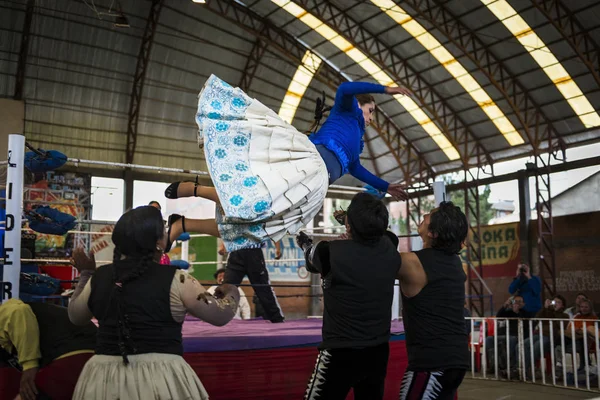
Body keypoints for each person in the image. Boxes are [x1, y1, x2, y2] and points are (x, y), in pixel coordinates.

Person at [161, 75, 410, 253]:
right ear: (359, 104)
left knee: (254, 227)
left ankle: (183, 224)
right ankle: (192, 189)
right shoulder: (346, 111)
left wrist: (386, 186)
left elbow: (355, 168)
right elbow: (345, 87)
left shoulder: (357, 144)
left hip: (314, 188)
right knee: (251, 199)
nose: (371, 117)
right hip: (306, 165)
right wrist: (386, 89)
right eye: (370, 110)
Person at [67, 205, 240, 400]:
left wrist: (86, 274)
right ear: (158, 242)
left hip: (103, 379)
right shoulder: (177, 279)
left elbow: (75, 315)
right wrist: (232, 290)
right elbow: (220, 315)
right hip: (160, 379)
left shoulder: (99, 277)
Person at [296, 192, 401, 400]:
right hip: (378, 351)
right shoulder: (390, 245)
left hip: (340, 353)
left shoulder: (329, 252)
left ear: (349, 226)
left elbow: (310, 256)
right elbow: (381, 233)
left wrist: (304, 242)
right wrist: (352, 226)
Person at [395, 202, 469, 400]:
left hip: (432, 364)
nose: (425, 214)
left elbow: (374, 260)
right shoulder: (455, 263)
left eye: (430, 214)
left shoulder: (412, 263)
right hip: (457, 360)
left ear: (434, 233)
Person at [0, 299, 97, 400]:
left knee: (28, 392)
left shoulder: (5, 312)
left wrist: (29, 365)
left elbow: (18, 311)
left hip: (76, 349)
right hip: (93, 359)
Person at [218, 240, 285, 323]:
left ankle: (277, 320)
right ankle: (215, 317)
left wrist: (277, 247)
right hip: (235, 253)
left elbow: (272, 228)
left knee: (264, 291)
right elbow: (226, 228)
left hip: (254, 254)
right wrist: (223, 245)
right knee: (226, 289)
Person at [524, 295, 569, 379]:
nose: (555, 304)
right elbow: (537, 318)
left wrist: (555, 311)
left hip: (550, 336)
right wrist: (545, 308)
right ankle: (522, 368)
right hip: (539, 334)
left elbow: (559, 325)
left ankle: (525, 369)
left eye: (558, 302)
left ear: (563, 305)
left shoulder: (564, 315)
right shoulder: (546, 312)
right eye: (554, 302)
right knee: (522, 345)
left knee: (536, 346)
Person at [485, 295, 530, 376]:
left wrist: (517, 313)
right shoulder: (508, 312)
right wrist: (505, 305)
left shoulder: (525, 313)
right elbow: (498, 316)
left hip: (517, 336)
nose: (517, 303)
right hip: (504, 334)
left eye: (520, 302)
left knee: (511, 339)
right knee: (489, 339)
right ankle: (494, 364)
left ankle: (510, 365)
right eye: (515, 301)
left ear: (523, 304)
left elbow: (526, 326)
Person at [556, 298, 598, 371]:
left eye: (586, 307)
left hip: (587, 341)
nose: (583, 309)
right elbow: (570, 329)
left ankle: (584, 366)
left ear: (590, 308)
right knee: (559, 338)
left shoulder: (594, 318)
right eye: (582, 307)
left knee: (582, 339)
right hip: (572, 338)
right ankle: (558, 364)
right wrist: (577, 330)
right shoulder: (577, 317)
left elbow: (588, 330)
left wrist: (578, 330)